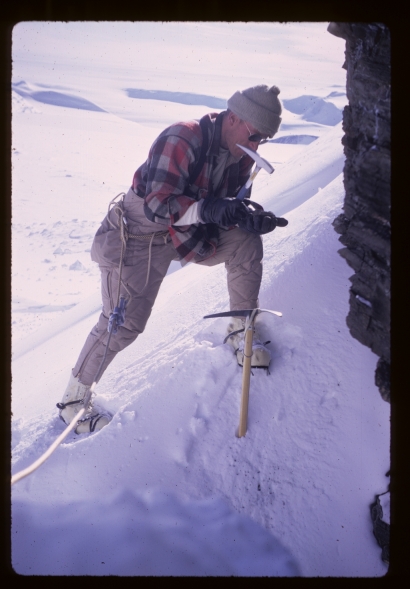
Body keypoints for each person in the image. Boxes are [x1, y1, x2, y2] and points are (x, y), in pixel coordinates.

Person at [57, 84, 288, 433]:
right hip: (137, 236)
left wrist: (247, 217)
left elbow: (225, 208)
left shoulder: (240, 156)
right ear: (234, 117)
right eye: (255, 135)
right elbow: (157, 204)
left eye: (263, 141)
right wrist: (214, 208)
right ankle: (73, 402)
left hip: (188, 231)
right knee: (122, 325)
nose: (256, 147)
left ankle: (242, 331)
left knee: (245, 241)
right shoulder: (184, 137)